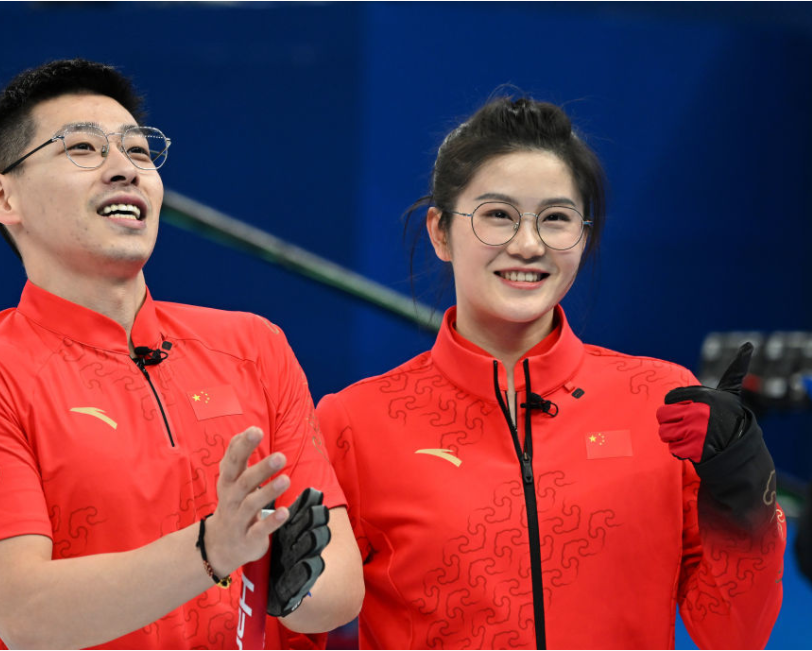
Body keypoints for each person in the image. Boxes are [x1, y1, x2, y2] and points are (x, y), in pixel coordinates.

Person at [0, 58, 363, 650]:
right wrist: (213, 549)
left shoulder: (253, 347)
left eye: (139, 152)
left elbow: (338, 590)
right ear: (1, 196)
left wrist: (280, 577)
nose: (125, 169)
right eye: (82, 149)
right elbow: (28, 617)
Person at [316, 96, 786, 649]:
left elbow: (734, 634)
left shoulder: (660, 402)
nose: (528, 244)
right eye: (498, 215)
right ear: (440, 232)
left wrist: (742, 481)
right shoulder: (355, 424)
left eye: (556, 218)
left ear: (583, 236)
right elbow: (294, 630)